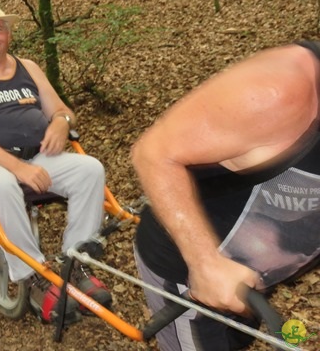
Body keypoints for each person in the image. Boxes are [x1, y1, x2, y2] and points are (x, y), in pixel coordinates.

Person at [132, 41, 320, 350]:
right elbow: (153, 153)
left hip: (254, 278)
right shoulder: (280, 89)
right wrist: (205, 264)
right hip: (190, 272)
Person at [0, 0, 112, 324]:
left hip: (36, 156)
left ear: (9, 33)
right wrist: (18, 167)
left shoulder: (28, 68)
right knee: (4, 183)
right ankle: (31, 276)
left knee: (90, 169)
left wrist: (61, 123)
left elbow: (62, 111)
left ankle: (75, 265)